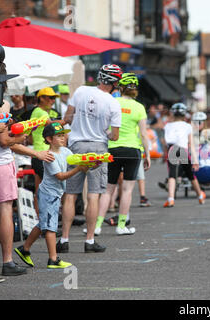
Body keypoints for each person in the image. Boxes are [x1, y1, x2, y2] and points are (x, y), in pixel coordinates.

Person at [0, 55, 55, 277]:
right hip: (2, 165)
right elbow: (4, 142)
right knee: (5, 210)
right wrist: (22, 138)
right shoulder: (2, 104)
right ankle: (8, 261)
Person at [59, 64, 122, 253]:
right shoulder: (113, 103)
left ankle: (64, 239)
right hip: (98, 149)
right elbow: (115, 136)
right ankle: (89, 241)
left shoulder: (80, 91)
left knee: (71, 194)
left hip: (76, 146)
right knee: (93, 194)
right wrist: (105, 132)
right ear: (114, 83)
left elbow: (67, 117)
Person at [14, 123, 88, 269]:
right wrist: (79, 169)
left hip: (54, 194)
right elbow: (60, 176)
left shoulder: (65, 151)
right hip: (48, 195)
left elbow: (77, 160)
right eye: (59, 136)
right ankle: (53, 259)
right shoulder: (49, 156)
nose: (63, 138)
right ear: (49, 139)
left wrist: (92, 162)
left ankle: (25, 249)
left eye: (63, 135)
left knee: (43, 224)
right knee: (50, 227)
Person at [94, 73, 151, 236]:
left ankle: (97, 226)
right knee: (127, 190)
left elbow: (103, 125)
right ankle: (121, 226)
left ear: (120, 87)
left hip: (112, 149)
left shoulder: (113, 102)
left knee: (107, 190)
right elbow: (144, 134)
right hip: (133, 150)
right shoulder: (139, 107)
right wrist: (147, 155)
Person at [29, 87, 64, 214]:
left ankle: (41, 220)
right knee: (49, 190)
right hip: (44, 155)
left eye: (54, 98)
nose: (53, 101)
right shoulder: (40, 112)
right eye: (50, 98)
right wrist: (68, 120)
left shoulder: (38, 111)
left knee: (40, 190)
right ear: (41, 98)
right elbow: (53, 126)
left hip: (38, 155)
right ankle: (46, 220)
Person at [163, 103, 205, 208]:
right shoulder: (187, 126)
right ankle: (200, 195)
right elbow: (191, 145)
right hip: (183, 149)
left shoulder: (167, 126)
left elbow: (165, 142)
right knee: (191, 174)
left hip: (172, 149)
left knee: (172, 175)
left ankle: (171, 199)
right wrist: (195, 161)